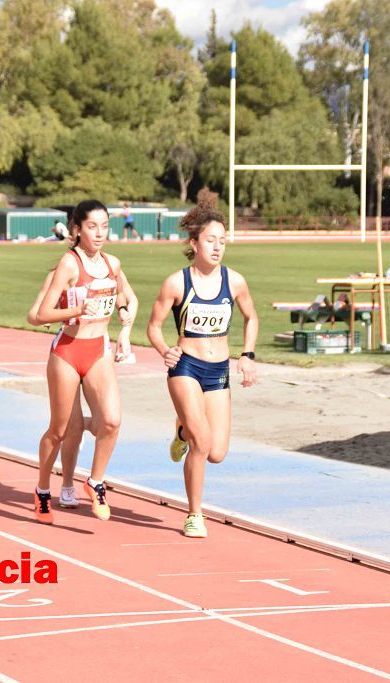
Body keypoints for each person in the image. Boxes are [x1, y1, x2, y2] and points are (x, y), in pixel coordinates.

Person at [145, 192, 259, 538]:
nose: (217, 247)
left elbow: (251, 317)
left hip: (218, 371)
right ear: (194, 243)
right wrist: (165, 349)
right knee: (202, 442)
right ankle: (195, 514)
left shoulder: (234, 281)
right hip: (187, 368)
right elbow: (153, 326)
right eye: (211, 240)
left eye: (222, 241)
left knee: (218, 453)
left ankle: (181, 429)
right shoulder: (177, 283)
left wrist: (248, 354)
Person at [33, 199, 127, 523]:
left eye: (104, 226)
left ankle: (96, 482)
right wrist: (76, 311)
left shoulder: (113, 264)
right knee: (60, 431)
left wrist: (126, 323)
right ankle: (43, 488)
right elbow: (41, 315)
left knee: (112, 421)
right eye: (92, 226)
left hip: (98, 350)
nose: (99, 233)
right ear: (77, 229)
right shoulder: (70, 264)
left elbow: (126, 300)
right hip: (68, 351)